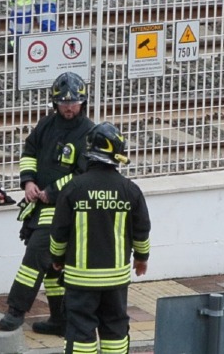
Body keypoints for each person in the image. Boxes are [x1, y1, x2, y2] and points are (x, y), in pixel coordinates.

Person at [0, 72, 98, 335]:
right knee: (54, 267)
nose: (69, 107)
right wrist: (28, 182)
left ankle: (15, 311)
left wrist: (51, 192)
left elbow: (82, 174)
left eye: (74, 102)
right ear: (55, 102)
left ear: (83, 102)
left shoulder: (88, 133)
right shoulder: (46, 125)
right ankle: (60, 320)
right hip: (40, 206)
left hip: (65, 209)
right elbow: (29, 152)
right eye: (64, 103)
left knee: (34, 257)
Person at [49, 123, 151, 354]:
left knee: (80, 330)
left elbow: (59, 232)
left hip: (81, 279)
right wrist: (141, 258)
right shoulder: (130, 190)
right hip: (116, 279)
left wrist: (57, 258)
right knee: (115, 329)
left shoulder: (74, 188)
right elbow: (142, 230)